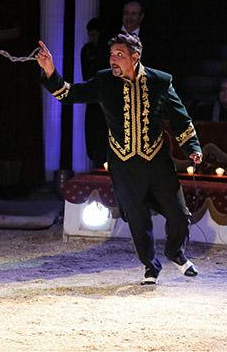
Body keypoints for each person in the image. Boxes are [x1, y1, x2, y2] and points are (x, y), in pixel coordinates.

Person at [36, 33, 202, 285]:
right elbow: (68, 94)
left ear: (135, 57)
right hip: (124, 164)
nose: (113, 59)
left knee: (179, 215)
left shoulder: (160, 81)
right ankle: (150, 266)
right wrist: (50, 71)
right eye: (111, 54)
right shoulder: (105, 81)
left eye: (120, 55)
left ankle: (175, 253)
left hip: (157, 162)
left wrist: (192, 147)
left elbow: (181, 118)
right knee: (137, 218)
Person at [80, 18, 109, 167]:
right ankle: (96, 163)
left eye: (95, 35)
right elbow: (86, 75)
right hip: (93, 98)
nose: (92, 38)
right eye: (90, 35)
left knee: (104, 132)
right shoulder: (86, 50)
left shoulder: (109, 51)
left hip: (107, 99)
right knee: (93, 133)